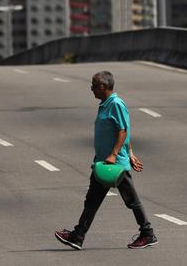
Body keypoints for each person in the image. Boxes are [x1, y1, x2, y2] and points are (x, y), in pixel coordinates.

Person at [55, 71, 158, 250]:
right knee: (92, 200)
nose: (91, 89)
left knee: (131, 200)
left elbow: (123, 130)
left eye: (93, 86)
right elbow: (121, 130)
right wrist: (130, 151)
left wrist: (116, 154)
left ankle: (147, 234)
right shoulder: (104, 105)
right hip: (103, 163)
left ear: (103, 87)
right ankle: (77, 236)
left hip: (115, 164)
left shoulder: (116, 104)